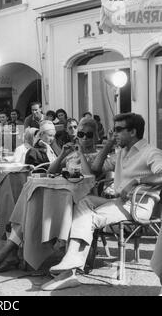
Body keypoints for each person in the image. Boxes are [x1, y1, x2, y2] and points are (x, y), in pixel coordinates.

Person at [47, 113, 162, 289]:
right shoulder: (123, 153)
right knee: (83, 202)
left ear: (132, 132)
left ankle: (70, 269)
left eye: (118, 130)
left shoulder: (150, 152)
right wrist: (108, 144)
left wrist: (137, 181)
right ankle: (71, 264)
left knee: (89, 215)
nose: (113, 133)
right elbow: (96, 168)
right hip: (120, 202)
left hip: (139, 206)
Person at [0, 118, 100, 273]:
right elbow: (51, 172)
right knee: (31, 198)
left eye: (89, 134)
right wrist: (63, 154)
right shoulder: (71, 153)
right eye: (81, 134)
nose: (84, 138)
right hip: (59, 197)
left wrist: (80, 153)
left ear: (96, 136)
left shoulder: (97, 155)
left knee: (33, 207)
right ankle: (10, 250)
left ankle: (10, 249)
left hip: (78, 202)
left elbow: (89, 176)